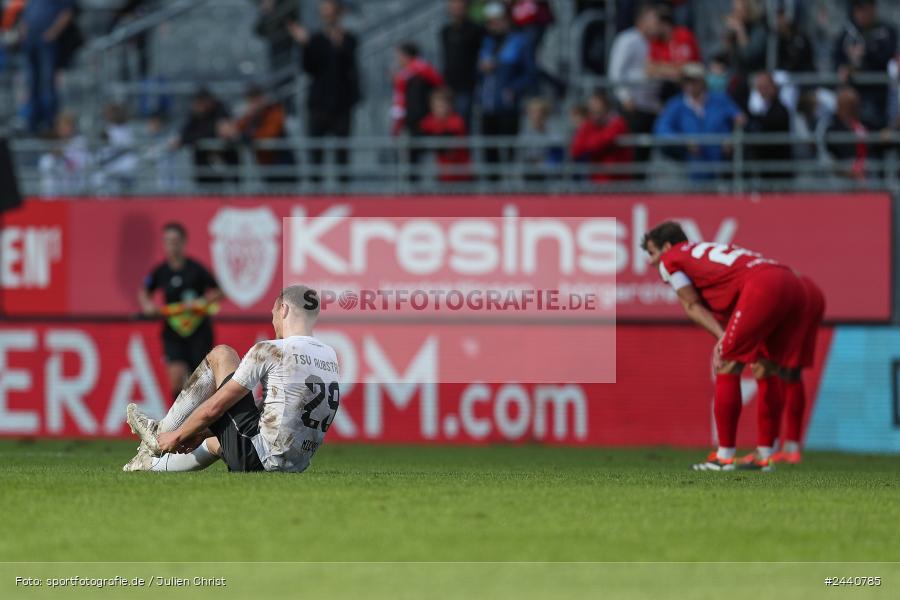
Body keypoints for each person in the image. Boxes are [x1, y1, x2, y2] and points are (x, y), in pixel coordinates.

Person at [642, 220, 810, 472]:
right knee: (765, 368)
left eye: (652, 253)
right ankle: (765, 456)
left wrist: (723, 337)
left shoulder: (671, 259)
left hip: (763, 285)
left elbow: (691, 305)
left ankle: (724, 457)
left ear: (667, 246)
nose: (651, 261)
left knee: (727, 362)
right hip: (790, 282)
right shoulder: (707, 249)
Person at [123, 286, 341, 474]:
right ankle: (147, 464)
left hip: (258, 459)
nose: (273, 320)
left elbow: (215, 407)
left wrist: (176, 436)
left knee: (222, 355)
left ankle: (157, 434)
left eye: (274, 313)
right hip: (294, 464)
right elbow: (277, 411)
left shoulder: (271, 349)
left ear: (283, 309)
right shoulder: (330, 356)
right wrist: (200, 431)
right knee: (213, 441)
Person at [139, 223, 223, 401]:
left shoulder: (196, 269)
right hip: (173, 331)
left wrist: (200, 303)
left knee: (200, 382)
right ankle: (178, 422)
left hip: (198, 330)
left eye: (176, 241)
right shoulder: (160, 272)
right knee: (176, 378)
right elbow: (145, 292)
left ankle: (202, 424)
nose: (172, 246)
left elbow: (218, 292)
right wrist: (148, 306)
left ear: (184, 242)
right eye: (168, 242)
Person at [289, 0, 361, 183]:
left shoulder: (349, 39)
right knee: (316, 153)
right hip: (319, 104)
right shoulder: (316, 40)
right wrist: (304, 45)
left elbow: (350, 66)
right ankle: (315, 194)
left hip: (341, 103)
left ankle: (344, 194)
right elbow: (309, 68)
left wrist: (339, 46)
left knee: (342, 154)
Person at [654, 62, 745, 181]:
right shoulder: (675, 105)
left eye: (694, 80)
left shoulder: (720, 99)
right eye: (686, 81)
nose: (690, 85)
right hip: (694, 163)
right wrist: (683, 141)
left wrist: (731, 138)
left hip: (723, 162)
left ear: (702, 81)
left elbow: (740, 118)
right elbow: (662, 129)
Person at [478, 2, 537, 180]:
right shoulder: (485, 43)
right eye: (490, 22)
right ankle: (491, 189)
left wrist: (514, 90)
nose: (494, 25)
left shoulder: (519, 42)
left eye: (498, 21)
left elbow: (530, 72)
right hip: (487, 105)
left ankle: (509, 186)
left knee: (509, 148)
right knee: (489, 151)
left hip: (508, 106)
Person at [607, 4, 661, 170]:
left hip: (650, 106)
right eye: (653, 19)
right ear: (641, 21)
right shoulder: (628, 39)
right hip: (632, 106)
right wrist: (625, 97)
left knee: (645, 154)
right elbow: (615, 71)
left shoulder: (654, 42)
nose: (657, 24)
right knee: (632, 153)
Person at [833, 0, 897, 129]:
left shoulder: (885, 31)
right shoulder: (848, 32)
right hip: (853, 91)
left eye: (864, 8)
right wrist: (844, 67)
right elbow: (837, 58)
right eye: (857, 9)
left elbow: (887, 58)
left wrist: (866, 52)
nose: (860, 14)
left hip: (879, 94)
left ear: (873, 8)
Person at [20, 0, 75, 134]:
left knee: (48, 83)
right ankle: (33, 124)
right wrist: (23, 32)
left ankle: (50, 123)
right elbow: (27, 14)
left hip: (46, 43)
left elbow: (67, 12)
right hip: (31, 42)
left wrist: (53, 33)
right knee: (32, 84)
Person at [172, 88, 239, 189]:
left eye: (202, 101)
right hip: (203, 163)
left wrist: (191, 138)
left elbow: (223, 132)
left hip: (224, 159)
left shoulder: (221, 109)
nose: (199, 105)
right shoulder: (195, 114)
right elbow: (185, 134)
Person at [230, 85, 296, 185]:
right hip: (265, 165)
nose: (255, 104)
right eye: (252, 101)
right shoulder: (251, 117)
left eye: (257, 100)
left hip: (281, 164)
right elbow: (236, 129)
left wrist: (249, 136)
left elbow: (269, 134)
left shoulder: (275, 111)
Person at [570, 91, 633, 182]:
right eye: (591, 109)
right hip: (595, 181)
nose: (594, 111)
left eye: (598, 108)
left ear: (606, 108)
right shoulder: (589, 125)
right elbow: (576, 149)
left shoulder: (618, 123)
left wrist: (589, 142)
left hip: (618, 182)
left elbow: (600, 142)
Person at [440, 0, 484, 127]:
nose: (456, 8)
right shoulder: (446, 31)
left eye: (459, 5)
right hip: (449, 83)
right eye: (453, 5)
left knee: (463, 121)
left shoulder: (476, 30)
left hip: (467, 84)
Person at [418, 87, 472, 182]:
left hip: (460, 176)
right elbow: (420, 138)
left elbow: (448, 143)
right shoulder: (428, 121)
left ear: (450, 106)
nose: (439, 109)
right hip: (439, 176)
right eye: (436, 105)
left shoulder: (457, 121)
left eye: (442, 105)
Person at [745, 71, 792, 179]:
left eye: (765, 87)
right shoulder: (762, 108)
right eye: (759, 87)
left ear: (773, 87)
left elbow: (769, 126)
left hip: (778, 168)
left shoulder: (780, 110)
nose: (762, 91)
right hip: (764, 166)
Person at [38, 110, 89, 197]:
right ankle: (49, 199)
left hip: (75, 187)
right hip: (57, 189)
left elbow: (82, 164)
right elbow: (46, 166)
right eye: (63, 125)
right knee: (46, 160)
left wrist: (64, 157)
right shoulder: (54, 143)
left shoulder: (80, 143)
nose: (66, 128)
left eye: (69, 125)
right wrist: (55, 157)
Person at [825, 86, 869, 180]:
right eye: (849, 105)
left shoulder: (864, 123)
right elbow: (827, 158)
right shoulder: (830, 127)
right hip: (840, 177)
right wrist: (847, 171)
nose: (853, 108)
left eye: (854, 104)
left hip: (866, 172)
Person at [520, 97, 564, 181]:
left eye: (539, 112)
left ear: (545, 115)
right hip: (531, 172)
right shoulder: (525, 134)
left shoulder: (553, 131)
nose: (537, 116)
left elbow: (558, 146)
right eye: (533, 112)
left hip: (548, 170)